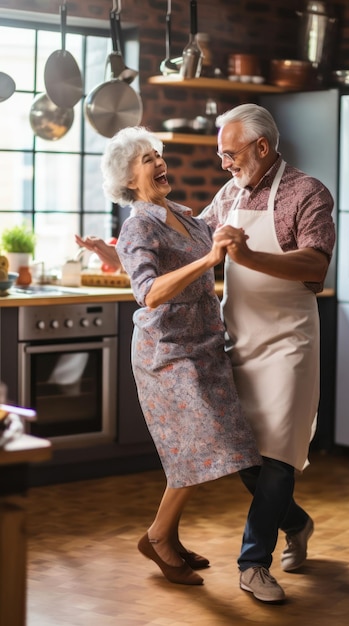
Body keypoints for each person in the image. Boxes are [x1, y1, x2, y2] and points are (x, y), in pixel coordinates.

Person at [75, 126, 261, 587]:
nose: (158, 162)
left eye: (157, 154)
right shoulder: (139, 223)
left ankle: (167, 538)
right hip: (167, 352)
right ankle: (159, 537)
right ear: (128, 179)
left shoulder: (183, 216)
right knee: (201, 441)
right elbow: (148, 293)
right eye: (145, 159)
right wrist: (207, 261)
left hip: (204, 343)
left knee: (194, 448)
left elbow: (150, 264)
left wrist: (111, 254)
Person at [200, 103, 335, 602]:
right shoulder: (229, 192)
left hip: (288, 344)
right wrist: (126, 248)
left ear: (262, 147)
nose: (225, 164)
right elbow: (197, 238)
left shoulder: (307, 193)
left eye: (230, 153)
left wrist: (249, 255)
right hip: (238, 341)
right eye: (220, 155)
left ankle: (253, 564)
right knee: (246, 460)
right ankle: (296, 523)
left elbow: (315, 266)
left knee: (278, 457)